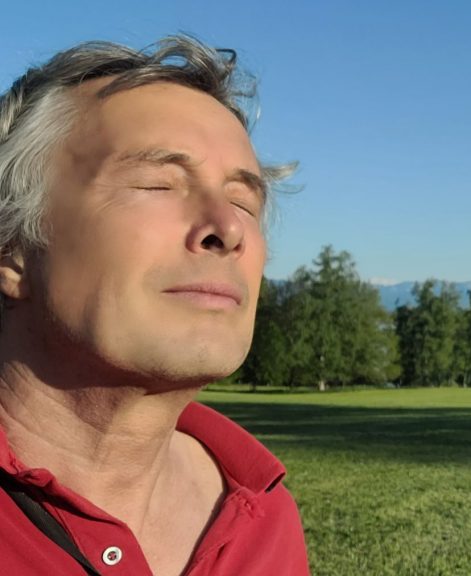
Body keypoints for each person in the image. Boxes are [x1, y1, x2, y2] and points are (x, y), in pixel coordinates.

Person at [0, 36, 309, 575]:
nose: (228, 227)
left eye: (244, 201)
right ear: (12, 248)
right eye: (157, 184)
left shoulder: (264, 519)